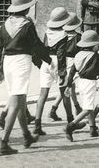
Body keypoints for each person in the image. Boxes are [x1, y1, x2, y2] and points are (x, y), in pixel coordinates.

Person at [0, 0, 49, 156]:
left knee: (20, 100)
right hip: (22, 63)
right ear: (26, 9)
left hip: (8, 63)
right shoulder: (27, 25)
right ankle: (4, 142)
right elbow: (37, 45)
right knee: (16, 102)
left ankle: (26, 136)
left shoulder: (5, 24)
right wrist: (49, 61)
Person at [33, 7, 72, 136]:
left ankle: (37, 124)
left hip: (46, 61)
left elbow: (42, 48)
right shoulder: (64, 35)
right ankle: (71, 121)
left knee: (43, 93)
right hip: (57, 62)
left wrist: (41, 64)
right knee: (64, 92)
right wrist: (62, 73)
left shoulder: (47, 31)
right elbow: (61, 54)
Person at [63, 30, 99, 141]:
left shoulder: (78, 55)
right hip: (90, 82)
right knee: (87, 108)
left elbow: (72, 71)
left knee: (88, 105)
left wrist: (68, 85)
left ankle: (93, 128)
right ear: (94, 45)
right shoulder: (95, 56)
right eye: (98, 45)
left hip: (80, 82)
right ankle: (71, 126)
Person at [48, 12, 83, 121]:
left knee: (67, 87)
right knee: (68, 87)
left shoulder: (60, 35)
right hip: (72, 63)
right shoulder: (78, 37)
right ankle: (75, 108)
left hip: (62, 62)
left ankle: (55, 109)